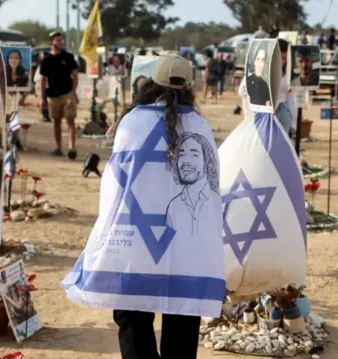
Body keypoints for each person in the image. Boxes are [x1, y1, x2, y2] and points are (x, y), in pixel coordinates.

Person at [63, 54, 224, 359]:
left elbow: (116, 184)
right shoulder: (200, 127)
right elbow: (213, 192)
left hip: (135, 237)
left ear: (151, 83)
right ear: (189, 87)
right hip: (185, 243)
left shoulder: (132, 122)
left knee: (132, 315)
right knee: (182, 313)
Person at [40, 32, 79, 159]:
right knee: (56, 121)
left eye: (61, 40)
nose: (60, 42)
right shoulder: (46, 59)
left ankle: (72, 148)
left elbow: (75, 74)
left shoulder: (68, 57)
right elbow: (43, 79)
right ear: (52, 42)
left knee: (70, 120)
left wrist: (73, 92)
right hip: (52, 96)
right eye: (57, 40)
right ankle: (58, 148)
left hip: (67, 94)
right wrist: (42, 97)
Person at [276, 39, 295, 136]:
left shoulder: (289, 74)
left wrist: (293, 123)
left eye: (285, 58)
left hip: (284, 111)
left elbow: (291, 100)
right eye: (281, 57)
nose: (283, 61)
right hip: (269, 112)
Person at [246, 42, 271, 107]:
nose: (260, 64)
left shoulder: (265, 84)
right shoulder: (248, 81)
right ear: (254, 61)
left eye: (262, 60)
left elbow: (267, 102)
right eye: (258, 59)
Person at [33, 52, 50, 122]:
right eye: (41, 57)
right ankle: (45, 116)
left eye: (43, 57)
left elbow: (38, 79)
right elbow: (37, 79)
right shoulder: (40, 67)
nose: (42, 58)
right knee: (43, 101)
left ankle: (46, 116)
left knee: (44, 101)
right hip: (42, 87)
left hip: (46, 87)